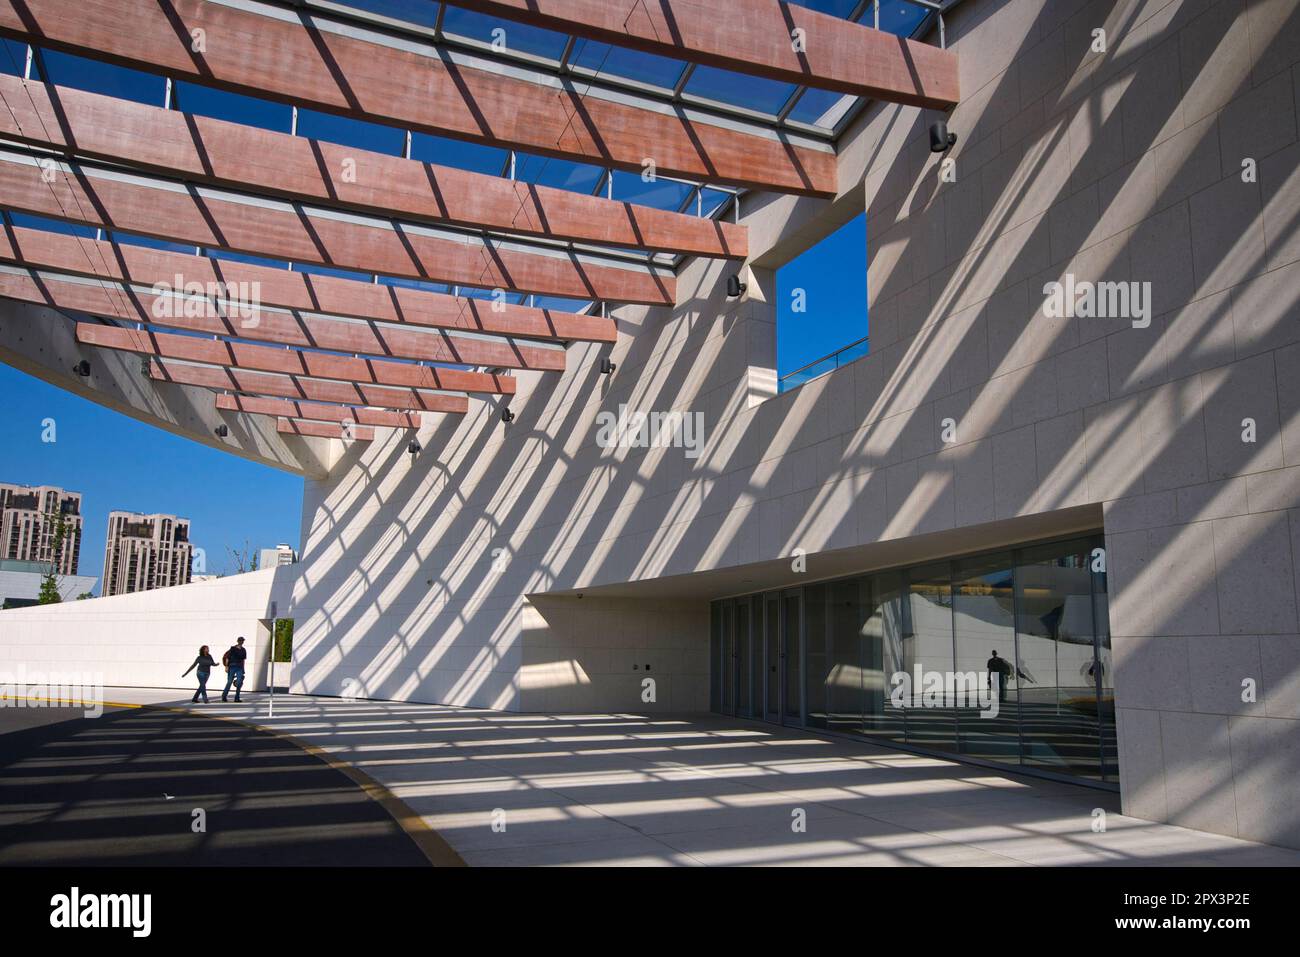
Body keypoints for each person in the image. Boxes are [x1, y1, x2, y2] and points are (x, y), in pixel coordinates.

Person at [221, 636, 248, 702]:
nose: (241, 642)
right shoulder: (232, 649)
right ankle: (224, 696)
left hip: (239, 667)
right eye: (240, 640)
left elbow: (243, 660)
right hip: (232, 666)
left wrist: (243, 669)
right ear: (238, 641)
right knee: (229, 682)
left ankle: (237, 697)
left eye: (242, 641)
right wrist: (226, 666)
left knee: (239, 682)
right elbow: (227, 657)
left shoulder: (243, 650)